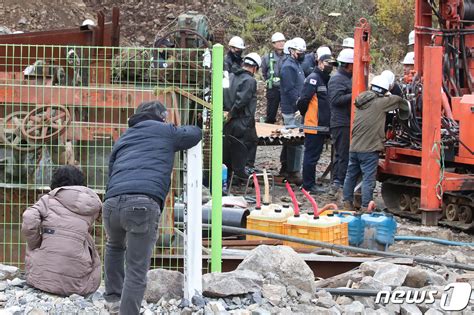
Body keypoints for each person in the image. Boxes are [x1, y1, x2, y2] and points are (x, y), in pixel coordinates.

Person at [103, 101, 202, 315]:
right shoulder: (165, 131)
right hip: (142, 203)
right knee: (137, 266)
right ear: (161, 118)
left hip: (111, 203)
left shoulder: (124, 137)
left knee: (114, 247)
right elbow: (194, 134)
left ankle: (112, 300)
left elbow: (111, 170)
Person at [22, 165, 101, 296]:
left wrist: (35, 243)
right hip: (75, 287)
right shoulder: (91, 204)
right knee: (85, 239)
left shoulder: (48, 199)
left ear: (55, 182)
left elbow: (29, 218)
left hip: (41, 282)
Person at [342, 75, 409, 211]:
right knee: (368, 178)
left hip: (354, 147)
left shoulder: (361, 100)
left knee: (351, 175)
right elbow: (399, 100)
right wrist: (404, 114)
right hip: (369, 149)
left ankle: (347, 203)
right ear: (384, 90)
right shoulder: (381, 103)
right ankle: (367, 205)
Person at [297, 50, 337, 193]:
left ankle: (310, 183)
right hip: (313, 124)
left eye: (332, 64)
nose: (330, 67)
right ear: (319, 63)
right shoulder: (313, 79)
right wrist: (307, 115)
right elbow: (303, 101)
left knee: (314, 156)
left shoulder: (325, 80)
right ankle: (308, 185)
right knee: (311, 156)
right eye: (328, 63)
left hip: (321, 126)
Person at [224, 53, 261, 179]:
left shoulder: (230, 76)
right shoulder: (250, 81)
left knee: (229, 148)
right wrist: (232, 113)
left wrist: (227, 114)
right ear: (255, 68)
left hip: (229, 120)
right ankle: (242, 174)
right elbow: (241, 101)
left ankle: (229, 176)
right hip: (243, 120)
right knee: (247, 145)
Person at [280, 37, 307, 184]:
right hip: (292, 109)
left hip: (295, 108)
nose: (301, 53)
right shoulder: (289, 67)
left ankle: (286, 167)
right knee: (295, 142)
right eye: (299, 51)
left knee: (291, 141)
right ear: (291, 51)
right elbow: (289, 90)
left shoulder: (296, 65)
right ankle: (293, 171)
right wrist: (298, 105)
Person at [328, 48, 354, 196]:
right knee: (342, 153)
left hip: (348, 121)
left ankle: (342, 181)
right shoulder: (337, 79)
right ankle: (338, 182)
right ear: (348, 65)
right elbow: (335, 100)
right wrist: (355, 94)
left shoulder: (348, 78)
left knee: (346, 153)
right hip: (341, 122)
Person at [261, 32, 286, 124]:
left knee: (287, 113)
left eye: (283, 41)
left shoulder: (288, 57)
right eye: (278, 41)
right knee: (271, 114)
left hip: (285, 89)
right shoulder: (267, 58)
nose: (281, 43)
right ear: (273, 44)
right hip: (273, 89)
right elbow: (263, 72)